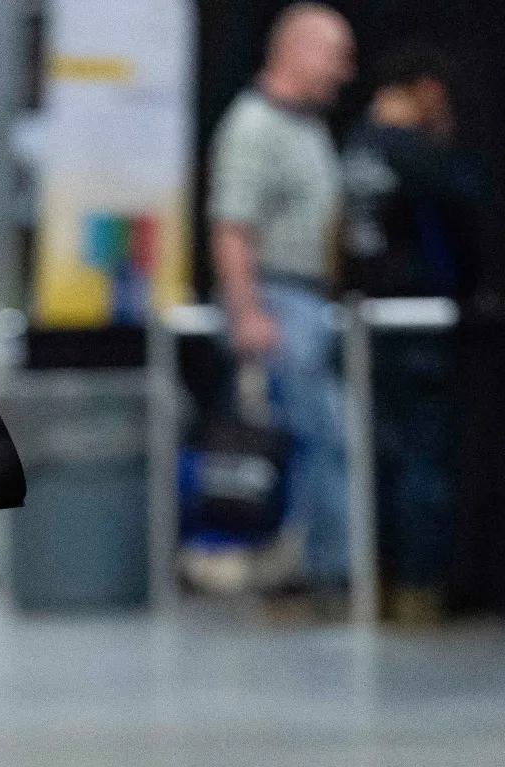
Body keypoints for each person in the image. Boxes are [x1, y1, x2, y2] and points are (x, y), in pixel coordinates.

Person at [207, 3, 358, 608]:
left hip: (313, 300)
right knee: (315, 438)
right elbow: (231, 228)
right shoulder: (254, 127)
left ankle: (320, 566)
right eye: (336, 55)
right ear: (295, 51)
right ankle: (319, 572)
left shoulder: (308, 126)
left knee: (324, 438)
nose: (346, 73)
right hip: (277, 296)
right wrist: (247, 312)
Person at [339, 44, 486, 623]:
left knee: (376, 455)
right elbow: (469, 222)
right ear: (426, 91)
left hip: (365, 323)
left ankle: (373, 581)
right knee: (423, 459)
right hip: (419, 325)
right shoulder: (425, 155)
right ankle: (420, 589)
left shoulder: (355, 144)